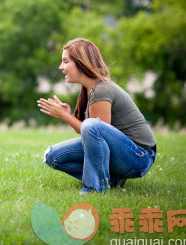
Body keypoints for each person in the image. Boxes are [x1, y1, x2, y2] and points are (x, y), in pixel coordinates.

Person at [37, 38, 157, 195]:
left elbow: (95, 131)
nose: (61, 67)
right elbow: (93, 138)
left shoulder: (101, 89)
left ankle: (94, 188)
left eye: (66, 61)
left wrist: (66, 117)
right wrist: (67, 115)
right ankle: (112, 179)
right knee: (52, 156)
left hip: (139, 156)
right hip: (122, 153)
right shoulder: (90, 89)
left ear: (81, 63)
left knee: (91, 125)